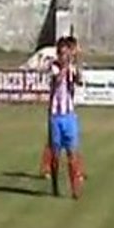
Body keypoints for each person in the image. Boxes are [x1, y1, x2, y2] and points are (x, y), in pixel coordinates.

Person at [47, 37, 84, 199]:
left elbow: (79, 81)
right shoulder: (54, 67)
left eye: (66, 53)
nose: (64, 56)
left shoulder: (72, 68)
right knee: (55, 155)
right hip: (55, 117)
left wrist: (78, 66)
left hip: (69, 116)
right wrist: (66, 67)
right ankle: (55, 183)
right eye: (62, 53)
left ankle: (75, 189)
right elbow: (57, 80)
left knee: (72, 154)